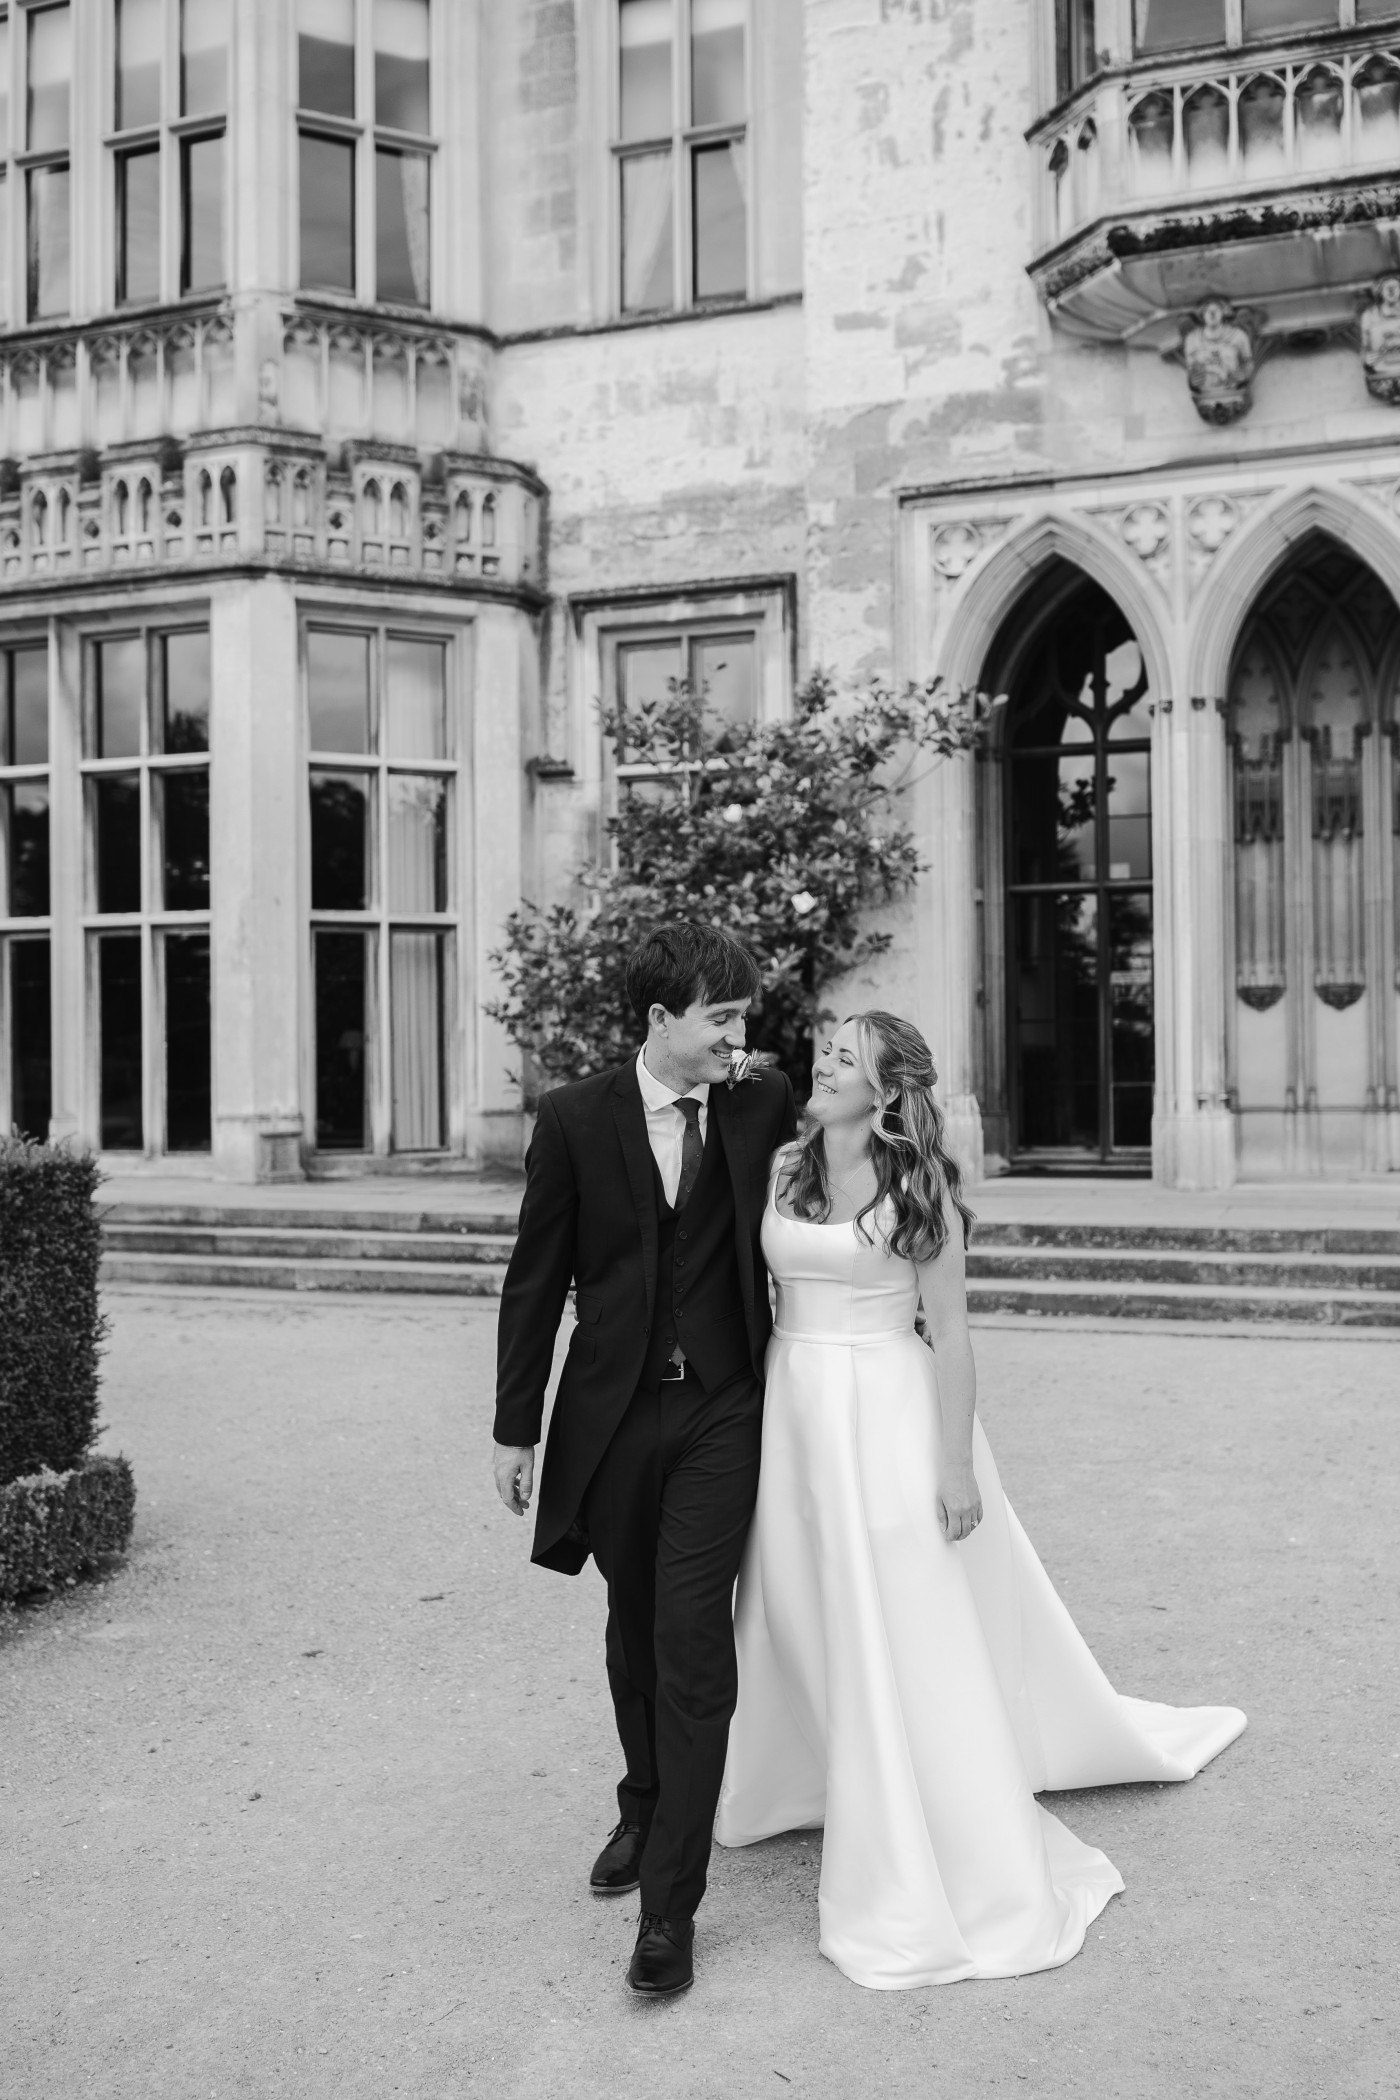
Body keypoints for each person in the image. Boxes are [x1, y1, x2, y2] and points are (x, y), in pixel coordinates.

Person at [715, 1011, 1246, 1990]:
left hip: (886, 1414)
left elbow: (951, 1337)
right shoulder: (784, 1165)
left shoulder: (918, 1190)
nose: (821, 1066)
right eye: (826, 1050)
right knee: (794, 1604)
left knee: (897, 1615)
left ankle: (913, 1806)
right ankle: (814, 1771)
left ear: (885, 1092)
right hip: (791, 1415)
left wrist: (953, 1465)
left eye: (843, 1059)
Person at [493, 921, 796, 1997]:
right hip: (612, 1416)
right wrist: (515, 1426)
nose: (737, 1038)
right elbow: (535, 1277)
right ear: (661, 1019)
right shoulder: (574, 1118)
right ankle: (643, 1802)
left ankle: (670, 1905)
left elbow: (851, 1161)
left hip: (724, 1408)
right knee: (632, 1628)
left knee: (691, 1639)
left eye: (744, 1018)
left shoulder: (761, 1101)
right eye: (721, 1018)